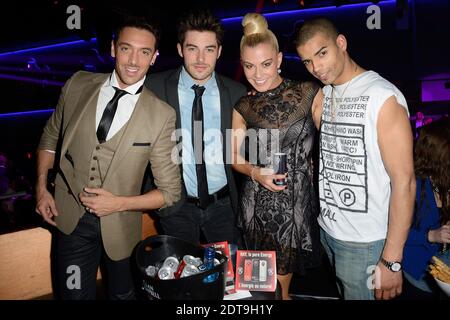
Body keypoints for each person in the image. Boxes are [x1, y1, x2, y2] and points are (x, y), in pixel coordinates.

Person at [35, 17, 181, 300]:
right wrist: (42, 188)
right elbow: (50, 138)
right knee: (73, 294)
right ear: (113, 48)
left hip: (122, 231)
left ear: (154, 58)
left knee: (123, 296)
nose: (133, 61)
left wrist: (118, 204)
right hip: (70, 221)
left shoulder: (162, 115)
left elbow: (170, 192)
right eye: (126, 49)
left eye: (144, 52)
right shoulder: (78, 84)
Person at [295, 18, 416, 300]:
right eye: (307, 61)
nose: (316, 68)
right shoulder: (325, 93)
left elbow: (405, 183)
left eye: (322, 53)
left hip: (366, 243)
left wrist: (391, 260)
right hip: (329, 232)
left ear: (341, 43)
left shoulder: (381, 96)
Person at [231, 13, 323, 300]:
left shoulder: (309, 93)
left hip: (295, 203)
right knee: (260, 290)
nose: (257, 74)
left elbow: (330, 144)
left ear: (280, 59)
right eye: (249, 66)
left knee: (281, 289)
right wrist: (256, 173)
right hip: (257, 206)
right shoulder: (243, 104)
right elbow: (233, 157)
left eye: (266, 64)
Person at [145, 10, 247, 246]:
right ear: (181, 49)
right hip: (177, 207)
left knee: (227, 279)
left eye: (209, 49)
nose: (201, 59)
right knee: (181, 279)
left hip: (225, 208)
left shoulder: (237, 93)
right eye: (192, 48)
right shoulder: (154, 87)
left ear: (219, 52)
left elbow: (253, 146)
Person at [401, 118, 450, 299]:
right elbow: (392, 233)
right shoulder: (412, 186)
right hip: (418, 275)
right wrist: (431, 235)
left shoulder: (445, 179)